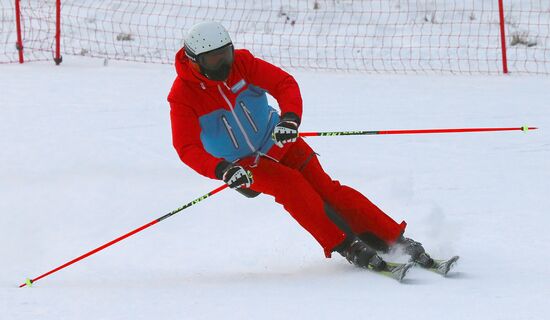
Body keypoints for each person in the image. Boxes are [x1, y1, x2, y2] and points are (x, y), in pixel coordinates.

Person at [167, 21, 435, 271]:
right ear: (195, 61)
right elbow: (186, 147)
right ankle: (346, 245)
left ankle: (394, 239)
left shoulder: (244, 64)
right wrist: (222, 169)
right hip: (244, 165)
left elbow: (283, 84)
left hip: (276, 139)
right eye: (213, 59)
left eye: (225, 54)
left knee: (328, 190)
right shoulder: (183, 95)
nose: (222, 63)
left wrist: (290, 119)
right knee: (293, 187)